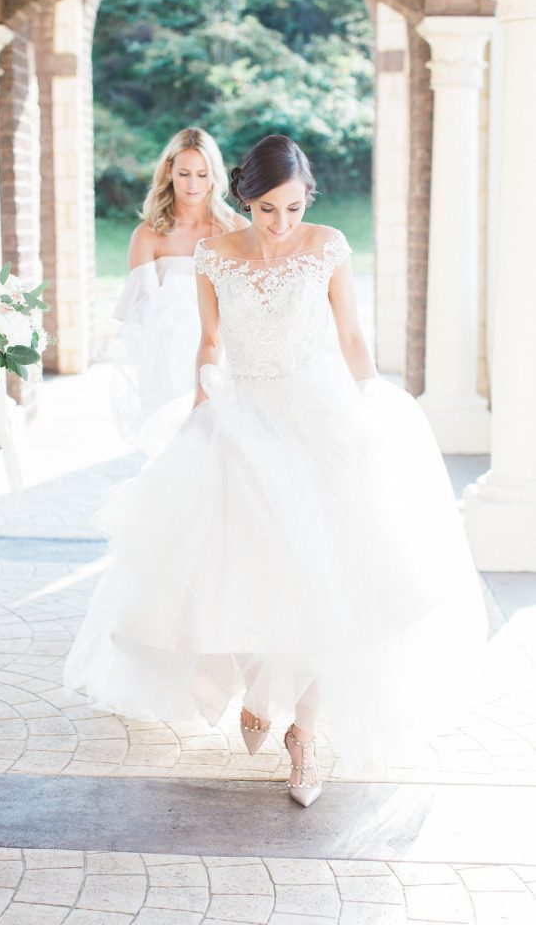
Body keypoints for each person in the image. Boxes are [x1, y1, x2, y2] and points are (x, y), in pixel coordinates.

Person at [66, 135, 487, 808]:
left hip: (320, 413)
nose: (280, 224)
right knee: (240, 564)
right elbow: (209, 342)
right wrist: (200, 414)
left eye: (292, 208)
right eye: (266, 209)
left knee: (332, 577)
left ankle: (305, 737)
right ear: (245, 199)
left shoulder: (326, 246)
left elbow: (349, 335)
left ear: (306, 201)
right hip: (247, 413)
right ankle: (259, 691)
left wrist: (369, 404)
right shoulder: (214, 255)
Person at [112, 127, 247, 451]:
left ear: (214, 176)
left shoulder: (236, 230)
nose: (193, 184)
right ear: (169, 170)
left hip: (225, 352)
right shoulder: (149, 234)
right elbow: (140, 312)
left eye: (202, 174)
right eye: (184, 173)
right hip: (166, 355)